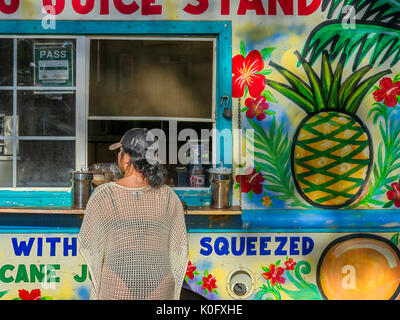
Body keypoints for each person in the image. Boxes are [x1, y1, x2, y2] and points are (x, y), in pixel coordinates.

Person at [78, 128, 189, 300]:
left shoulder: (102, 195)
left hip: (116, 278)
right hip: (160, 278)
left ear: (127, 158)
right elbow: (178, 248)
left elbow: (88, 245)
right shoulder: (168, 196)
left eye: (120, 151)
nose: (118, 156)